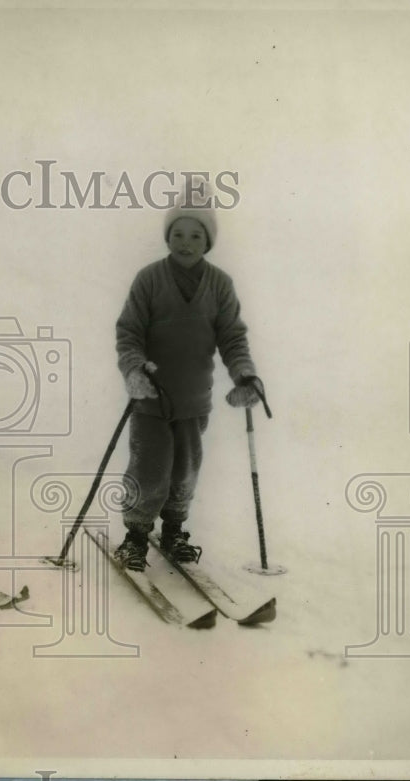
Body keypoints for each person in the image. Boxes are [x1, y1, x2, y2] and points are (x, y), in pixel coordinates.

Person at [113, 200, 265, 571]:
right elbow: (129, 332)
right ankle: (134, 537)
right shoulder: (149, 280)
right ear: (168, 236)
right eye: (178, 234)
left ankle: (173, 532)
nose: (185, 242)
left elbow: (232, 338)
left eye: (196, 235)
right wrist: (134, 369)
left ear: (208, 241)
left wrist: (244, 374)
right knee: (149, 468)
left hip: (194, 399)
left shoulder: (220, 285)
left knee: (184, 470)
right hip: (150, 398)